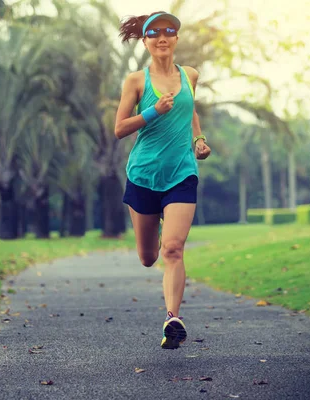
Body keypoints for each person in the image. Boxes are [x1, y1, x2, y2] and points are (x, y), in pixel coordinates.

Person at [114, 11, 211, 349]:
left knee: (173, 248)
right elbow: (119, 128)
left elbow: (191, 110)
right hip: (143, 175)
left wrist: (198, 140)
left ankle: (172, 318)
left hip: (181, 174)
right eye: (154, 33)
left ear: (176, 39)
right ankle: (153, 227)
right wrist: (155, 110)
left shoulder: (190, 76)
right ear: (145, 42)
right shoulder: (136, 82)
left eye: (168, 31)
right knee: (148, 256)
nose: (162, 37)